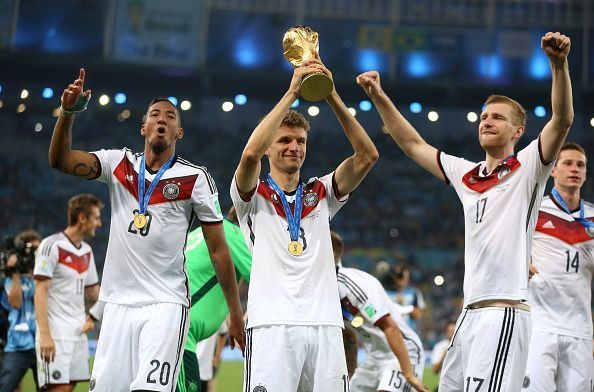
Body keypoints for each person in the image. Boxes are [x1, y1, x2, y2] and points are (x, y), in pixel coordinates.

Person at [357, 31, 573, 391]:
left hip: (503, 313)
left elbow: (562, 119)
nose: (486, 121)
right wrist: (379, 97)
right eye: (484, 116)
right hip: (469, 315)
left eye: (497, 118)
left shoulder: (529, 166)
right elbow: (412, 144)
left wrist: (558, 64)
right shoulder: (466, 174)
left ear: (518, 131)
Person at [48, 69, 245, 391]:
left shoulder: (195, 178)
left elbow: (219, 249)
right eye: (155, 114)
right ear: (144, 127)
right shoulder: (117, 164)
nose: (162, 119)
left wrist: (235, 314)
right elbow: (60, 160)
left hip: (165, 304)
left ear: (179, 132)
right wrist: (67, 114)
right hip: (117, 306)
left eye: (171, 116)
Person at [231, 53, 379, 391]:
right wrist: (293, 92)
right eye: (284, 140)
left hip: (325, 325)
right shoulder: (251, 196)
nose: (294, 147)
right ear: (270, 146)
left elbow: (368, 155)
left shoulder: (320, 192)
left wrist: (328, 92)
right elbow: (250, 155)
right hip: (272, 325)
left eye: (300, 141)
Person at [524, 142, 593, 391]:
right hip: (540, 325)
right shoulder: (533, 210)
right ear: (553, 170)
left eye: (580, 165)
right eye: (567, 163)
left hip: (581, 330)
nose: (574, 169)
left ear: (585, 173)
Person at [332, 231, 428, 392]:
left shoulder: (349, 284)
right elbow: (348, 335)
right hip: (374, 357)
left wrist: (409, 375)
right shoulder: (324, 291)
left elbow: (390, 327)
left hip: (404, 350)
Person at [177, 207, 251, 392]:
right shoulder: (235, 235)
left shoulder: (203, 232)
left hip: (173, 328)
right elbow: (269, 284)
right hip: (179, 333)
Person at [33, 194, 103, 391]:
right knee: (59, 388)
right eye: (96, 217)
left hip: (78, 332)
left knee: (69, 387)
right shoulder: (51, 246)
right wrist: (45, 335)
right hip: (55, 333)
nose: (99, 223)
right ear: (82, 218)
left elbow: (94, 294)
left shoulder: (87, 251)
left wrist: (94, 317)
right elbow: (40, 293)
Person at [0, 230, 41, 392]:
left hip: (42, 343)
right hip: (17, 345)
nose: (34, 255)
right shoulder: (11, 279)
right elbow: (15, 303)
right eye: (30, 251)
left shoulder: (48, 277)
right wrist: (15, 272)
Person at [389, 263, 426, 332]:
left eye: (406, 276)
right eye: (400, 275)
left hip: (408, 333)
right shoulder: (386, 292)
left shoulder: (414, 293)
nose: (403, 278)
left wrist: (404, 305)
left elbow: (418, 316)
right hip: (392, 332)